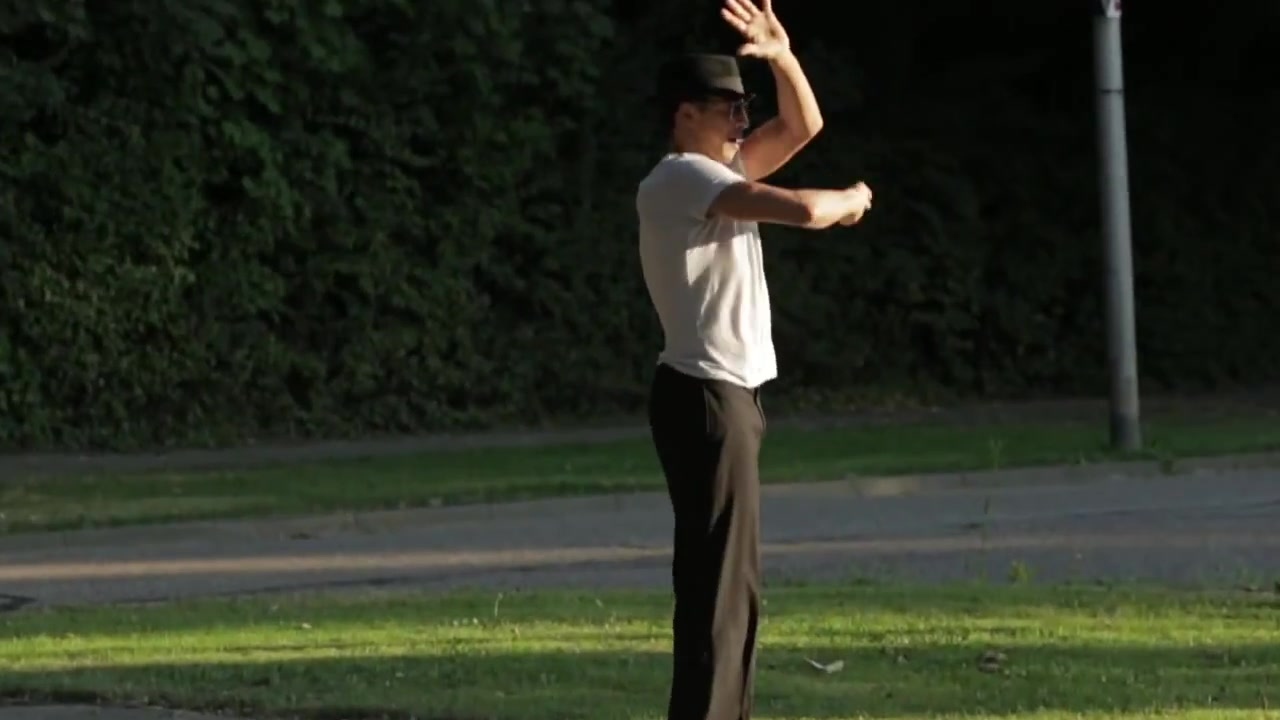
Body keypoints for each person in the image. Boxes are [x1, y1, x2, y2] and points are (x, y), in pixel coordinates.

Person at [634, 0, 874, 718]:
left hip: (724, 395)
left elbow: (803, 128)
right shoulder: (682, 177)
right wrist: (851, 199)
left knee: (728, 582)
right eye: (729, 110)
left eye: (746, 108)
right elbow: (801, 209)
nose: (743, 122)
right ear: (685, 115)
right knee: (719, 586)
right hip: (707, 396)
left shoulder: (713, 174)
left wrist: (782, 56)